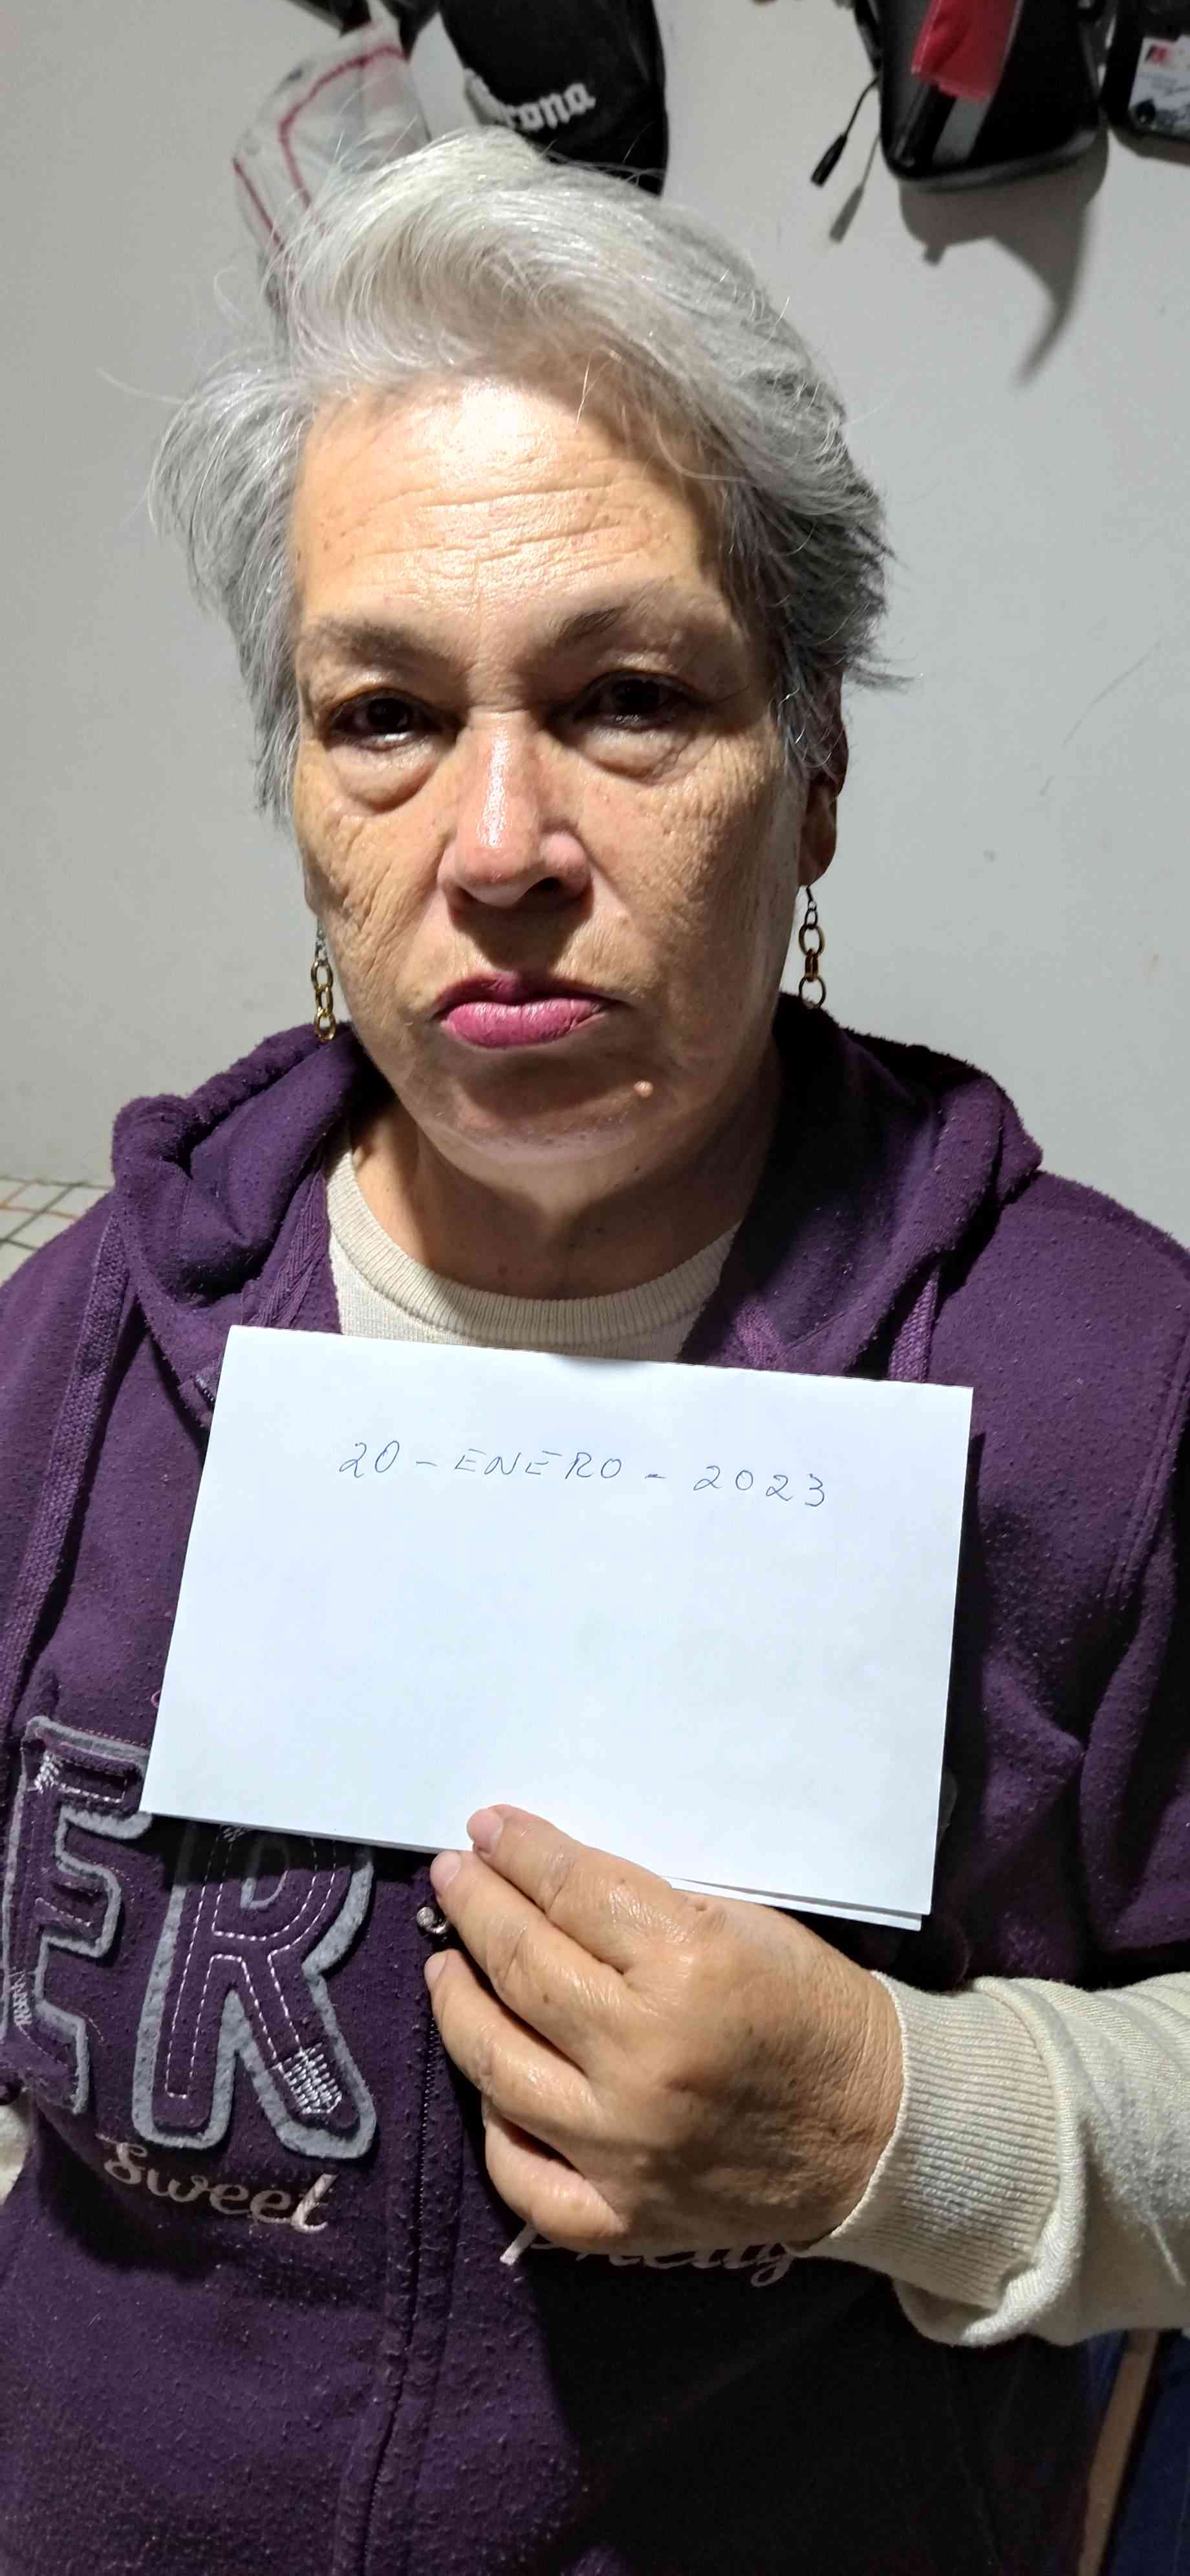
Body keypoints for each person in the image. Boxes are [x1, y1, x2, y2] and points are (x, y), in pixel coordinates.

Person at [1, 128, 1187, 2576]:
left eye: (630, 699)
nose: (501, 842)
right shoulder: (88, 1346)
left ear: (814, 773)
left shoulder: (1101, 1392)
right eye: (385, 716)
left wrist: (902, 2120)